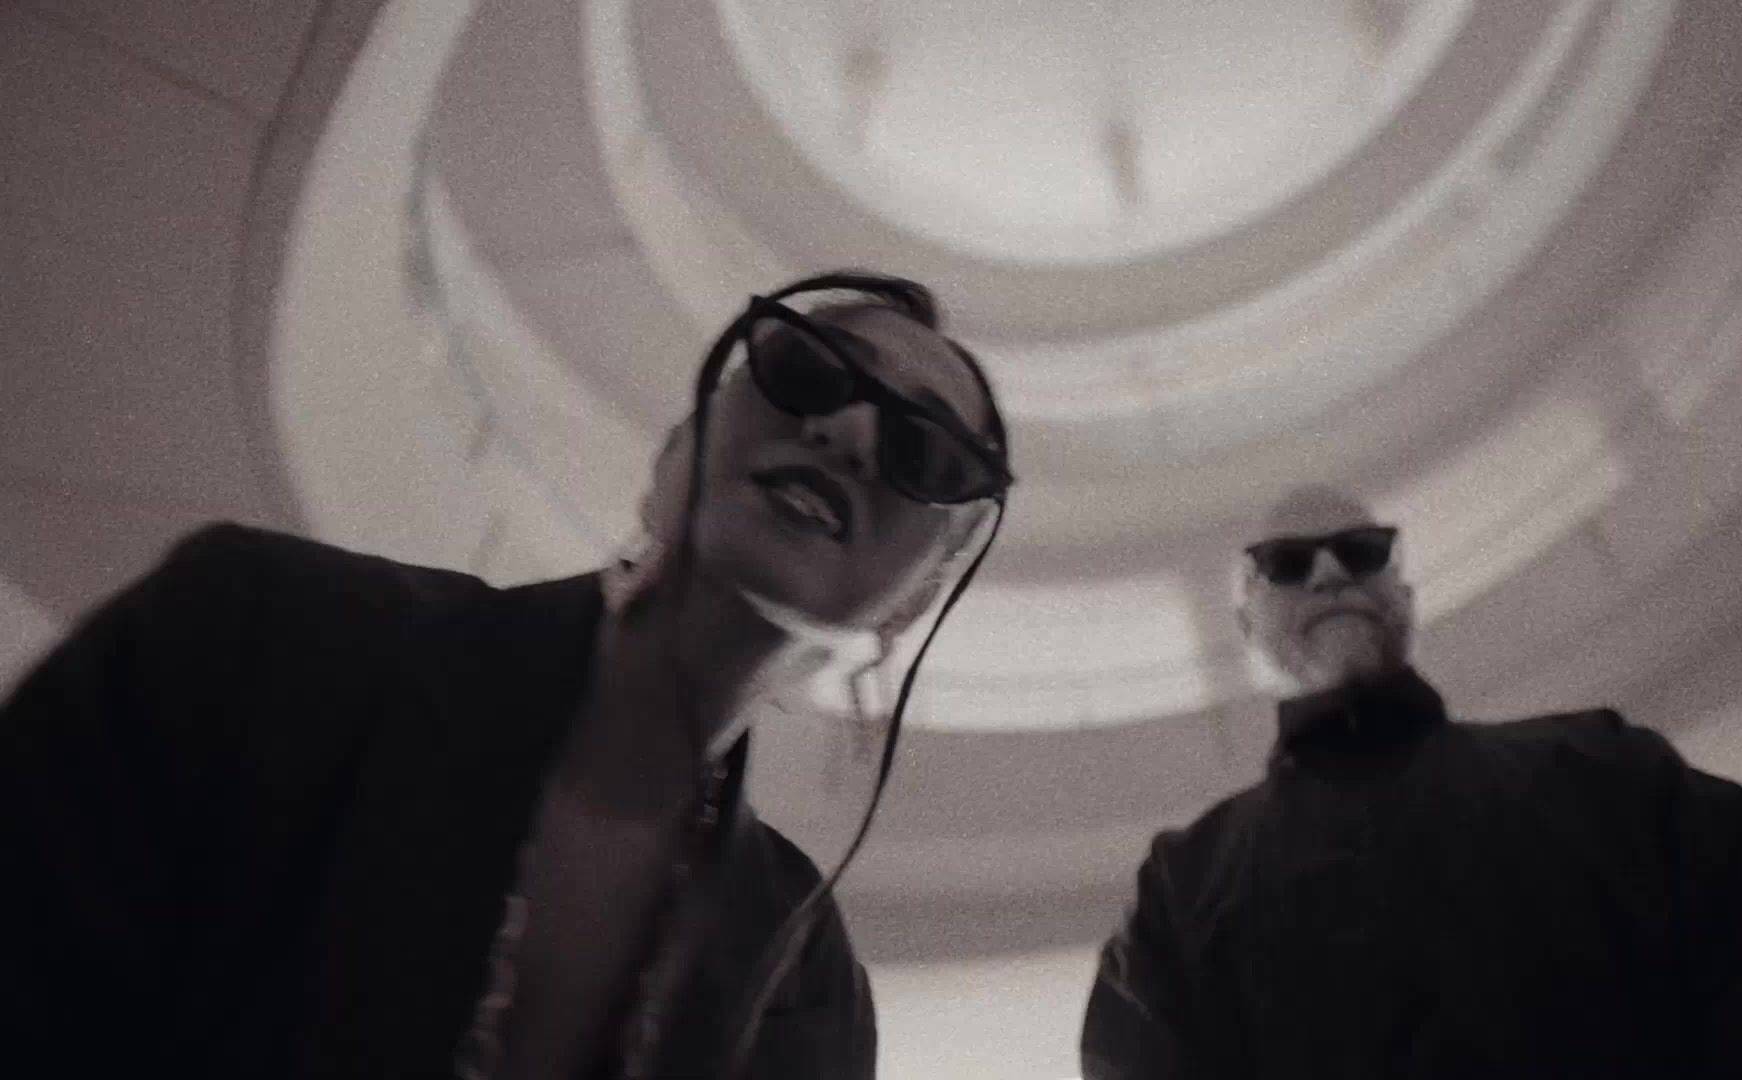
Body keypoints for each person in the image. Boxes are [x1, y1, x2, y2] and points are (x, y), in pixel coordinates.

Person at [0, 271, 1014, 1080]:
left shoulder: (806, 981)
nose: (848, 433)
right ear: (675, 450)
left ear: (916, 597)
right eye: (807, 372)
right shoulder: (262, 631)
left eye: (925, 451)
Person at [1081, 485, 1742, 1078]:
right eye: (1289, 562)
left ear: (1403, 590)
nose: (1331, 575)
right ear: (1246, 622)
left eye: (1362, 552)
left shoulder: (1610, 770)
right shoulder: (1179, 892)